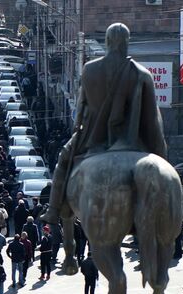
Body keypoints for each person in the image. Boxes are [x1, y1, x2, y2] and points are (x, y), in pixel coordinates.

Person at [40, 23, 167, 224]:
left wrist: (77, 130)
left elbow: (81, 107)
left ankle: (54, 209)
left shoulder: (89, 69)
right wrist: (161, 155)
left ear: (107, 42)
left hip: (93, 138)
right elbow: (152, 121)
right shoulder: (142, 74)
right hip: (132, 140)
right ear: (127, 42)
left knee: (63, 160)